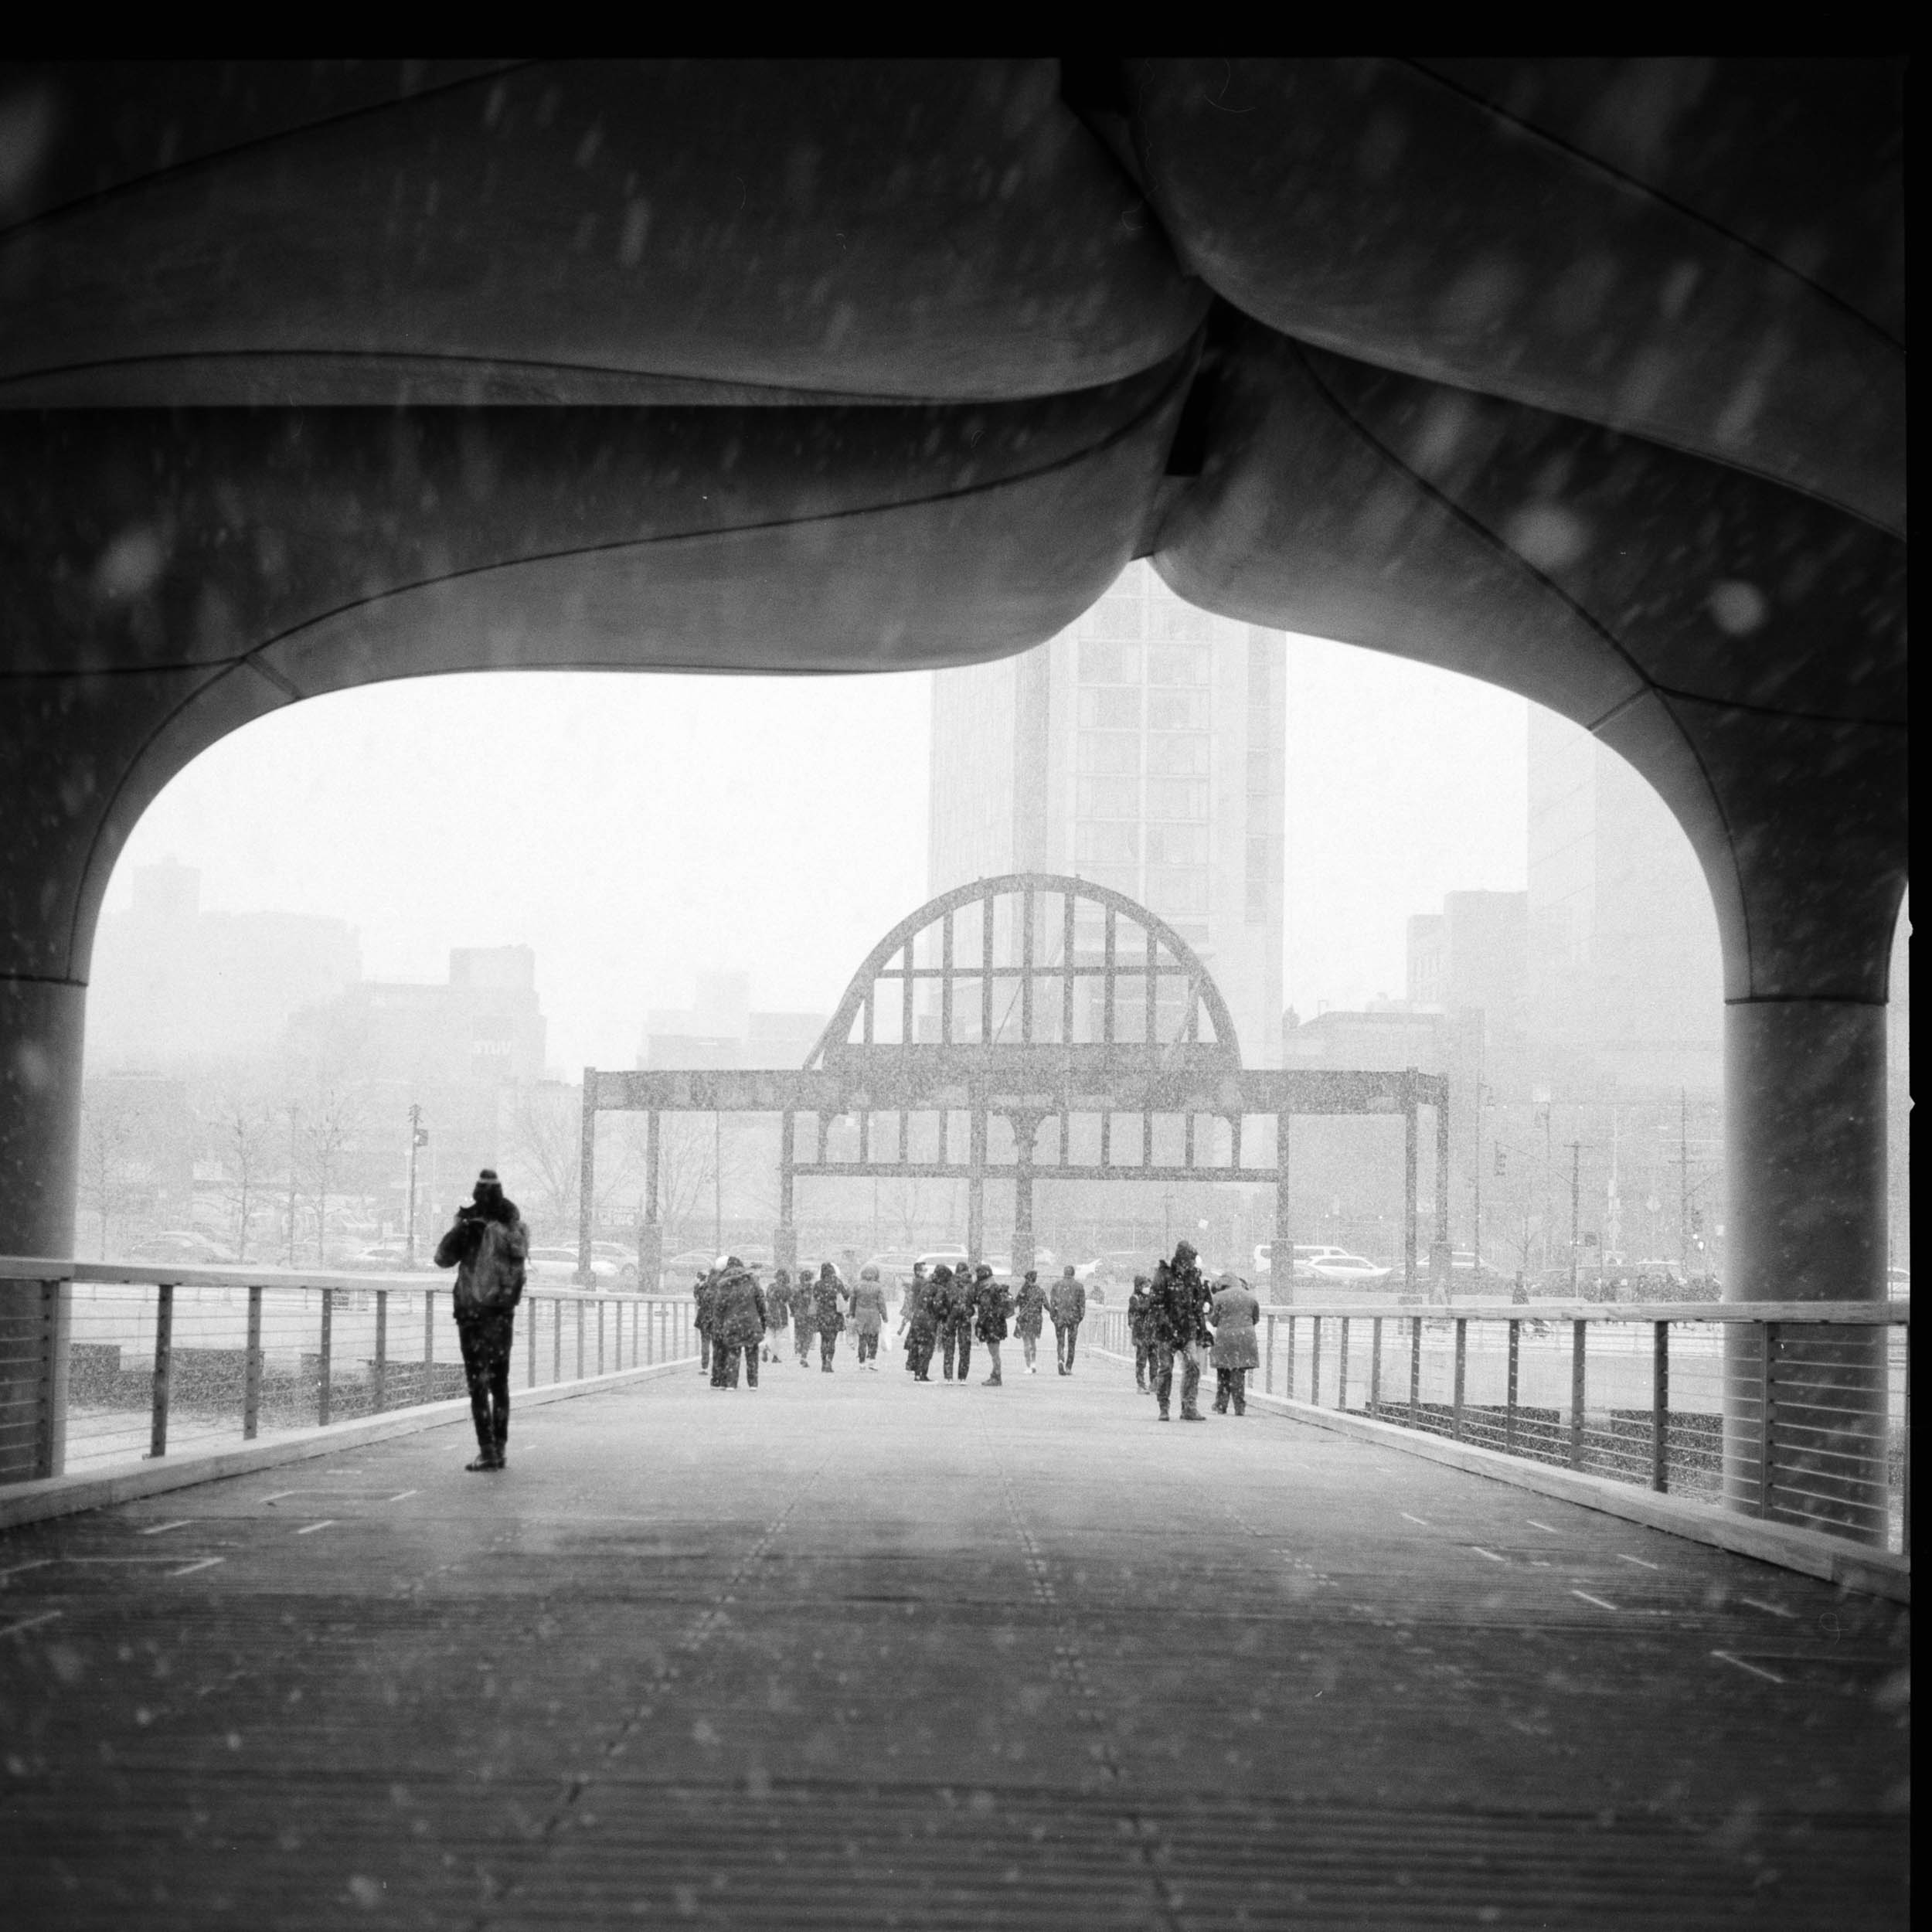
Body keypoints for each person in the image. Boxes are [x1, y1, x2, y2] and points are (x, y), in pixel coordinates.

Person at [432, 1168, 529, 1471]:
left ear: (476, 1195)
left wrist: (457, 1226)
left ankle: (486, 1450)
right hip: (503, 1313)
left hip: (472, 1314)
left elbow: (442, 1259)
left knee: (478, 1383)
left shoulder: (470, 1227)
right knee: (499, 1382)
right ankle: (500, 1448)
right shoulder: (512, 1227)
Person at [1148, 1240, 1212, 1422]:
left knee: (1193, 1365)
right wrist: (1165, 1323)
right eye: (1190, 1259)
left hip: (1187, 1330)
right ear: (1183, 1258)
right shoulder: (1164, 1274)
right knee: (1166, 1368)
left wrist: (1201, 1329)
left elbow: (1197, 1305)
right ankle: (1164, 1406)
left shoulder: (1193, 1277)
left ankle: (1189, 1406)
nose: (1192, 1263)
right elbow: (1156, 1303)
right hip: (1166, 1331)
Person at [709, 1257, 769, 1389]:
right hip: (751, 1321)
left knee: (733, 1351)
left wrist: (718, 1326)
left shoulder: (724, 1283)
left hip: (732, 1322)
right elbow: (761, 1302)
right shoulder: (752, 1281)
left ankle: (731, 1383)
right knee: (752, 1351)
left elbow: (719, 1307)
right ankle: (753, 1383)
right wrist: (763, 1322)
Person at [1209, 1270, 1261, 1415]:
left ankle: (1221, 1405)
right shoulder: (1250, 1296)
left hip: (1225, 1338)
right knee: (1239, 1372)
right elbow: (1256, 1318)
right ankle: (1239, 1406)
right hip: (1245, 1338)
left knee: (1223, 1372)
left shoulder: (1218, 1297)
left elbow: (1213, 1320)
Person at [971, 1263, 1012, 1385]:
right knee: (995, 1352)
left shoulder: (987, 1290)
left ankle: (996, 1376)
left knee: (994, 1353)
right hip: (997, 1324)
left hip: (991, 1325)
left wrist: (980, 1325)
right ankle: (995, 1375)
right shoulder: (995, 1287)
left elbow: (986, 1308)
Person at [901, 1264, 938, 1380]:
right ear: (918, 1271)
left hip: (917, 1313)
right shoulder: (920, 1282)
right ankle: (914, 1365)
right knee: (919, 1341)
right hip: (921, 1313)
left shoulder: (917, 1281)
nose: (926, 1272)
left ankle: (912, 1364)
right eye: (924, 1270)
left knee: (915, 1339)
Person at [1047, 1264, 1086, 1376]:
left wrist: (1053, 1316)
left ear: (1064, 1273)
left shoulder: (1057, 1285)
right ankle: (1069, 1366)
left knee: (1060, 1341)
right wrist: (1079, 1318)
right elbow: (1082, 1305)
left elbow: (1053, 1302)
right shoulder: (1079, 1286)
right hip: (1073, 1318)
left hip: (1060, 1317)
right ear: (1073, 1274)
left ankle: (1060, 1359)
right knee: (1072, 1343)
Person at [849, 1264, 889, 1369]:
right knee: (873, 1338)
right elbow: (881, 1303)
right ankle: (872, 1361)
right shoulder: (878, 1287)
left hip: (860, 1315)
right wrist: (885, 1316)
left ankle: (862, 1362)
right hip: (873, 1315)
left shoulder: (857, 1286)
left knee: (862, 1339)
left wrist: (852, 1313)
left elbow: (852, 1302)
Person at [1012, 1267, 1047, 1375]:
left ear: (1027, 1279)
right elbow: (1046, 1305)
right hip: (1036, 1319)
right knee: (1033, 1342)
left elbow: (1015, 1304)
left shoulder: (1023, 1291)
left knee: (1026, 1343)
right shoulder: (1040, 1291)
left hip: (1025, 1319)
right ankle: (1033, 1364)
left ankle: (1028, 1366)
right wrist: (1055, 1313)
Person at [812, 1261, 845, 1372]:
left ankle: (823, 1362)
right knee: (832, 1340)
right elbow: (846, 1295)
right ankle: (829, 1361)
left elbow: (815, 1297)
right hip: (835, 1314)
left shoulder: (818, 1284)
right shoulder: (837, 1282)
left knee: (824, 1339)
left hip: (822, 1315)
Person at [1126, 1273, 1156, 1393]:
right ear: (1139, 1286)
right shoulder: (1135, 1299)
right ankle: (1141, 1384)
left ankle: (1154, 1383)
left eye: (1148, 1285)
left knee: (1154, 1360)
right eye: (1145, 1285)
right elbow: (1140, 1310)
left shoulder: (1151, 1298)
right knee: (1141, 1360)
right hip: (1141, 1334)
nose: (1147, 1287)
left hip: (1153, 1333)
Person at [792, 1262, 819, 1368]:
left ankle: (798, 1346)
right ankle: (804, 1355)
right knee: (808, 1335)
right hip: (810, 1314)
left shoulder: (796, 1288)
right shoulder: (813, 1289)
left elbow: (792, 1301)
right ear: (811, 1278)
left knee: (799, 1333)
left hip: (799, 1314)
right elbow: (817, 1301)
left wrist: (794, 1311)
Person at [764, 1269, 793, 1362]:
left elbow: (767, 1299)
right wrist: (793, 1311)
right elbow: (789, 1301)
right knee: (779, 1335)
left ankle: (767, 1345)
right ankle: (775, 1356)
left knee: (771, 1332)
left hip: (771, 1311)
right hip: (781, 1312)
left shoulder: (770, 1286)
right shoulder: (787, 1288)